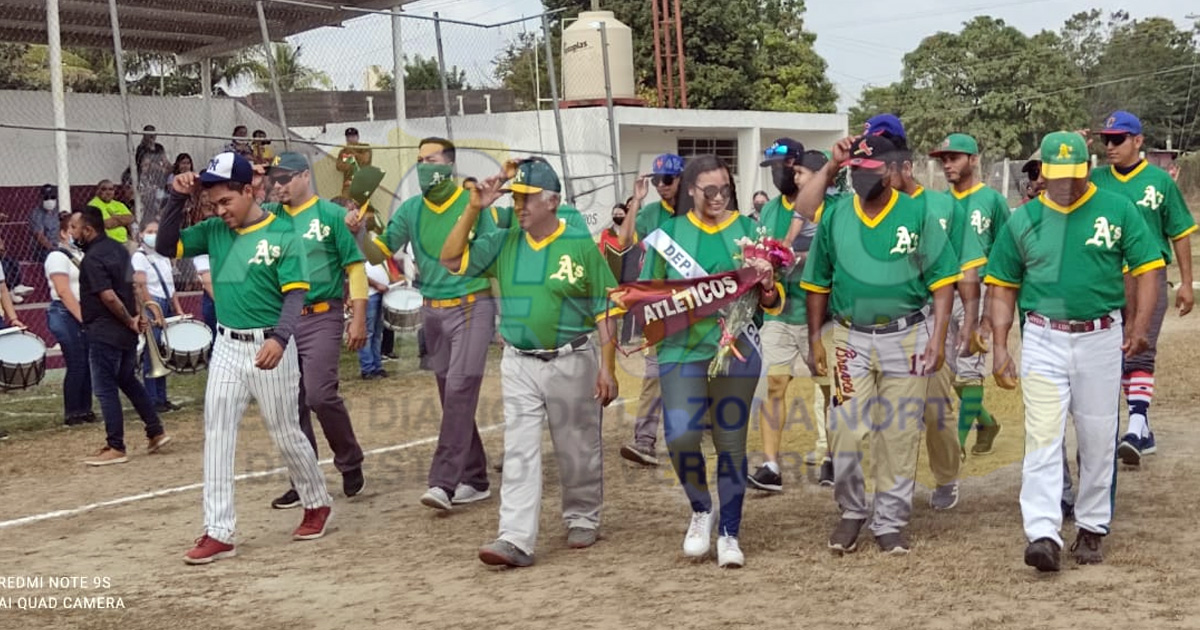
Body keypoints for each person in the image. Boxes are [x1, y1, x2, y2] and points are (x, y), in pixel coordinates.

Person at [985, 131, 1163, 572]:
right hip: (1044, 336)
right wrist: (1001, 346)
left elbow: (1148, 270)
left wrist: (1140, 327)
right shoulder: (1023, 219)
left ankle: (1091, 526)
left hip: (1102, 334)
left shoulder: (1117, 209)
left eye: (1073, 174)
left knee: (1098, 436)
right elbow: (1003, 286)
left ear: (1087, 169)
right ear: (1043, 172)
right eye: (1056, 175)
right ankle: (1043, 532)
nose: (1065, 183)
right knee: (1043, 436)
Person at [440, 158, 618, 568]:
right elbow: (451, 260)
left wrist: (607, 366)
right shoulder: (504, 240)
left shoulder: (578, 244)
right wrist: (474, 208)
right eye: (515, 199)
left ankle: (582, 514)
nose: (519, 207)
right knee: (519, 449)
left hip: (573, 357)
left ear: (552, 201)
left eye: (527, 199)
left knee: (577, 447)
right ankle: (515, 538)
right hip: (519, 360)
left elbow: (605, 306)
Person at [158, 151, 333, 564]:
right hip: (227, 346)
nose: (219, 211)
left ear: (248, 190)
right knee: (217, 432)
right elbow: (168, 246)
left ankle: (316, 500)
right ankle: (219, 531)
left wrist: (280, 336)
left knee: (286, 432)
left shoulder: (282, 234)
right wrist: (174, 198)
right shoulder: (215, 232)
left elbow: (295, 292)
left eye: (226, 202)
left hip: (270, 346)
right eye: (213, 203)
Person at [801, 134, 960, 556]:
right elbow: (817, 283)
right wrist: (815, 338)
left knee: (900, 432)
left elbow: (943, 283)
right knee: (845, 429)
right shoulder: (835, 215)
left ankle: (890, 520)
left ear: (890, 171)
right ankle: (852, 511)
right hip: (850, 338)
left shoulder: (917, 212)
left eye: (869, 170)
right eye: (855, 170)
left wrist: (939, 338)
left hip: (908, 335)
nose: (861, 178)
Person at [641, 154, 780, 569]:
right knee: (681, 438)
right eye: (709, 190)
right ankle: (702, 509)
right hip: (681, 351)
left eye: (725, 188)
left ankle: (729, 531)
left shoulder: (749, 230)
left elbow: (769, 302)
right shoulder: (668, 234)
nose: (718, 196)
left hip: (736, 349)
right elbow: (649, 295)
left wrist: (769, 283)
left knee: (731, 443)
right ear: (690, 191)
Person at [374, 137, 495, 510]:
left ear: (450, 164)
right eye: (419, 160)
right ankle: (476, 478)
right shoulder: (411, 209)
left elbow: (492, 251)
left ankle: (443, 482)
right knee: (451, 397)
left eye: (431, 159)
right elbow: (379, 251)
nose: (424, 166)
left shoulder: (472, 203)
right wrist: (359, 232)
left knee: (459, 389)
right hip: (433, 311)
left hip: (473, 305)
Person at [1090, 111, 1197, 466]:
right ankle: (1143, 427)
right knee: (1118, 354)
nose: (1110, 146)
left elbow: (1179, 231)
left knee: (1140, 348)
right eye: (1106, 139)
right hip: (1105, 281)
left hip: (1148, 277)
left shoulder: (1159, 181)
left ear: (1138, 141)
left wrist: (1185, 282)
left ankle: (1135, 426)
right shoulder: (1096, 180)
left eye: (1117, 139)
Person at [264, 152, 368, 506]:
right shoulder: (270, 217)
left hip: (322, 312)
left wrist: (358, 317)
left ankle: (349, 460)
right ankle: (303, 476)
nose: (279, 186)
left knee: (320, 395)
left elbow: (354, 266)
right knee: (289, 404)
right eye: (274, 180)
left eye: (285, 178)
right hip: (282, 317)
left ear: (305, 176)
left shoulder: (332, 215)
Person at [750, 138, 828, 493]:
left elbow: (832, 250)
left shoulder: (833, 205)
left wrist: (794, 256)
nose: (780, 175)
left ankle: (833, 459)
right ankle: (770, 465)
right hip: (779, 311)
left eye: (787, 168)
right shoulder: (769, 211)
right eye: (774, 169)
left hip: (823, 313)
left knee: (829, 389)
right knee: (775, 385)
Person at [929, 133, 1008, 457]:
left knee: (970, 370)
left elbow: (1005, 254)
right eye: (944, 159)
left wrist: (991, 312)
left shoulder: (992, 201)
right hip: (944, 292)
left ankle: (957, 444)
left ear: (974, 160)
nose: (948, 164)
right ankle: (986, 422)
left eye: (955, 157)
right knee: (946, 373)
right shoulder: (937, 203)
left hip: (982, 291)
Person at [74, 207, 171, 466]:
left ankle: (115, 445)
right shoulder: (119, 249)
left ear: (88, 229)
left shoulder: (93, 258)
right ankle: (155, 430)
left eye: (75, 228)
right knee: (128, 380)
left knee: (105, 389)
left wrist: (131, 319)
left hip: (105, 331)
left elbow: (108, 296)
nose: (73, 233)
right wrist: (138, 317)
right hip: (126, 330)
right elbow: (135, 286)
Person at [614, 153, 685, 467]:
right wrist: (637, 202)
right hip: (657, 304)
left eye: (667, 180)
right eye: (657, 181)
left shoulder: (697, 213)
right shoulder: (651, 211)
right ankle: (644, 440)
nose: (661, 186)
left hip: (692, 301)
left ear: (683, 179)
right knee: (654, 371)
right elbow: (624, 239)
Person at [45, 214, 95, 425]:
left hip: (81, 310)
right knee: (76, 363)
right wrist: (82, 317)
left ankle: (85, 409)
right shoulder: (57, 256)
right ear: (63, 233)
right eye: (72, 229)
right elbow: (63, 291)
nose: (76, 233)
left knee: (86, 362)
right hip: (65, 312)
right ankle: (73, 411)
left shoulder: (81, 254)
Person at [132, 221, 184, 413]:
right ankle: (152, 399)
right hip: (153, 303)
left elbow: (170, 286)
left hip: (166, 303)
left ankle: (162, 398)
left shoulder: (163, 255)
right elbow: (140, 286)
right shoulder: (140, 257)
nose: (153, 235)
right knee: (152, 353)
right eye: (149, 231)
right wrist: (154, 311)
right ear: (142, 234)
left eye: (156, 231)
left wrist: (177, 308)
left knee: (163, 352)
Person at [358, 261, 390, 380]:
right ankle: (367, 368)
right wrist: (376, 284)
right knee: (367, 333)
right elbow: (358, 274)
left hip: (380, 293)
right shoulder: (361, 249)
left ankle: (377, 366)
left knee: (377, 334)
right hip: (369, 294)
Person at [135, 125, 171, 218]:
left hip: (159, 180)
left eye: (153, 134)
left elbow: (165, 162)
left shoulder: (159, 147)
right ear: (144, 135)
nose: (151, 137)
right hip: (146, 180)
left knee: (165, 199)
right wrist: (159, 168)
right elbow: (145, 165)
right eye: (148, 135)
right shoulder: (141, 148)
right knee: (152, 201)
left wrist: (168, 167)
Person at [86, 180, 133, 244]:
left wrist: (115, 217)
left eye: (111, 189)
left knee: (136, 247)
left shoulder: (119, 204)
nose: (108, 192)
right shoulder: (93, 205)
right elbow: (106, 224)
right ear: (97, 191)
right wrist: (122, 220)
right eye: (104, 189)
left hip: (125, 240)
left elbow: (130, 218)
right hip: (106, 242)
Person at [337, 127, 373, 198]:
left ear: (358, 137)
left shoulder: (365, 147)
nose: (351, 139)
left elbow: (365, 159)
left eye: (353, 136)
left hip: (363, 183)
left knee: (362, 206)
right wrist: (350, 164)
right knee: (346, 204)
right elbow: (339, 166)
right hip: (348, 184)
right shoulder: (343, 151)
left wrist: (352, 152)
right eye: (348, 137)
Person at [30, 183, 62, 262]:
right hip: (43, 249)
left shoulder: (59, 211)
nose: (49, 200)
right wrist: (53, 249)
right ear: (41, 198)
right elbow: (39, 236)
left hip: (61, 245)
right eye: (46, 198)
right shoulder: (37, 213)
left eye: (52, 197)